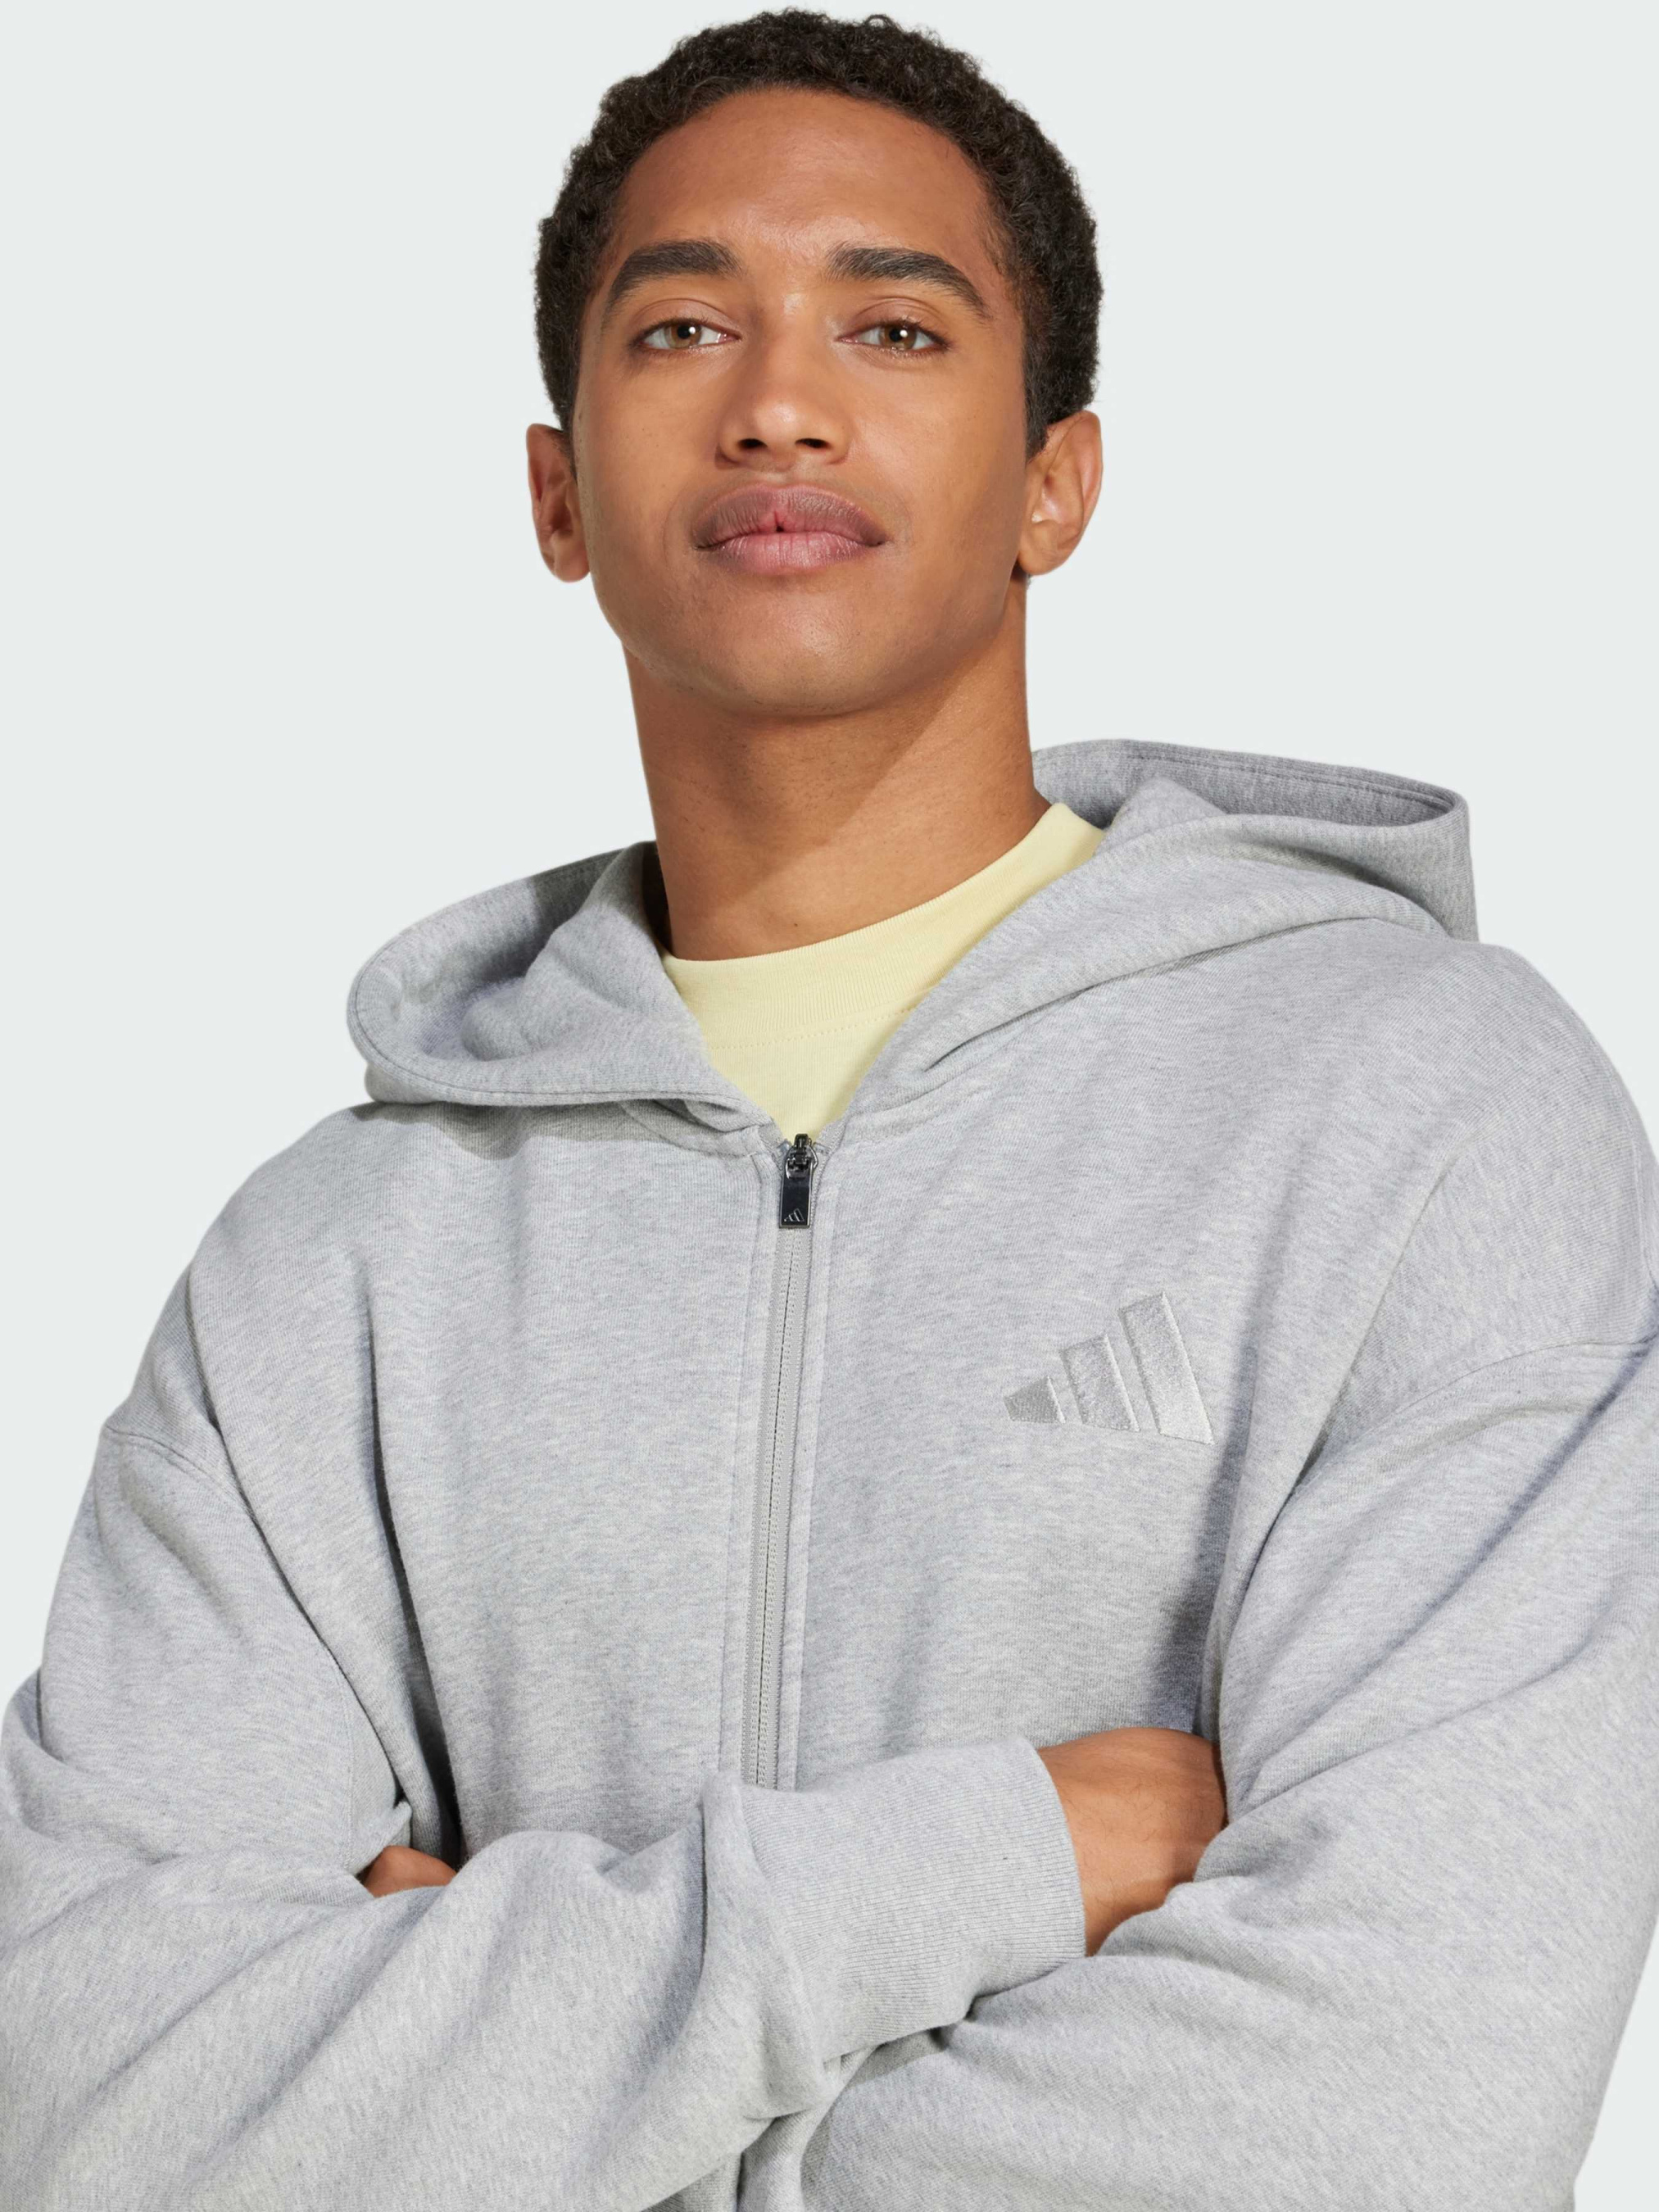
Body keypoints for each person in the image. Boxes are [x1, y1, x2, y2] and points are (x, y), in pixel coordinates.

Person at [3, 9, 1656, 2208]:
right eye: (683, 326)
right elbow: (92, 2097)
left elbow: (1398, 2107)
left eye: (892, 325)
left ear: (1057, 479)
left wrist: (479, 2083)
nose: (778, 399)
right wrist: (1004, 1851)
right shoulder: (328, 1268)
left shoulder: (1425, 1115)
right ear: (558, 495)